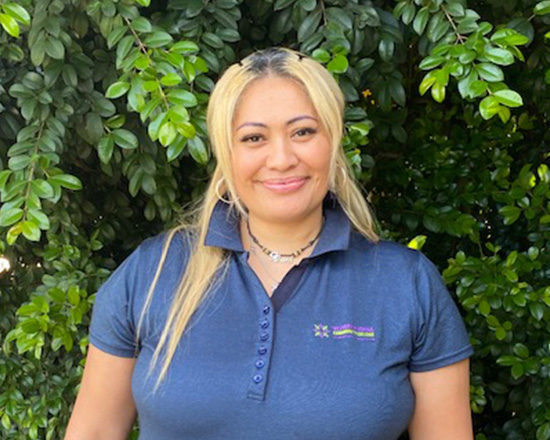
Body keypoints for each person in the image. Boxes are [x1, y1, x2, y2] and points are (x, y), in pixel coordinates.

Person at [65, 47, 474, 440]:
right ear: (226, 152)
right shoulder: (152, 273)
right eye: (254, 138)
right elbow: (95, 431)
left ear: (332, 141)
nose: (281, 159)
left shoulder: (405, 284)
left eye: (303, 132)